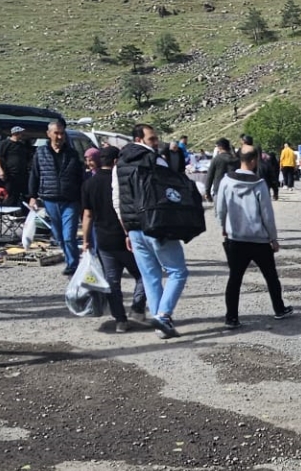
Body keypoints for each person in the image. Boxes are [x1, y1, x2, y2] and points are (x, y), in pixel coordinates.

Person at [113, 124, 191, 338]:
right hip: (156, 225)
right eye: (152, 138)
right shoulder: (155, 160)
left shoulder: (119, 163)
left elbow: (117, 200)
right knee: (178, 271)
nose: (156, 142)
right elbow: (168, 194)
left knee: (150, 277)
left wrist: (126, 230)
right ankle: (163, 316)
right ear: (139, 139)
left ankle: (160, 327)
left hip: (134, 229)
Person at [214, 146, 293, 328]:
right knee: (271, 277)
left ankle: (231, 318)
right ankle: (279, 309)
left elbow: (220, 208)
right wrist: (273, 238)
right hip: (258, 239)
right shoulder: (259, 183)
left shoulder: (227, 180)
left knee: (235, 279)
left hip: (235, 238)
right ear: (253, 160)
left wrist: (223, 226)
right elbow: (267, 214)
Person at [79, 146, 150, 335]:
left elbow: (87, 215)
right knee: (144, 274)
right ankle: (137, 308)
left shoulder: (89, 184)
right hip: (127, 238)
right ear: (116, 161)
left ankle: (120, 321)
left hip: (104, 239)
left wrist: (86, 241)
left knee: (112, 282)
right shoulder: (123, 181)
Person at [29, 119, 88, 274]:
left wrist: (83, 199)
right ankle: (69, 259)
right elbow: (35, 174)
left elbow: (80, 177)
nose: (60, 137)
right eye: (56, 133)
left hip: (70, 200)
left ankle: (73, 264)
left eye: (62, 133)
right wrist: (32, 196)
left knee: (69, 235)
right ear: (48, 134)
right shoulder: (40, 153)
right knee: (59, 236)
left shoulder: (72, 154)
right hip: (50, 199)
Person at [0, 127, 33, 207]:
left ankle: (25, 212)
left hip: (23, 174)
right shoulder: (5, 143)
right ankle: (10, 211)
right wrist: (0, 170)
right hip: (10, 174)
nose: (22, 135)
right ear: (15, 133)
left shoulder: (21, 145)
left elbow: (28, 158)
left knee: (26, 195)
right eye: (21, 133)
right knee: (11, 195)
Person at [205, 139, 236, 219]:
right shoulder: (236, 160)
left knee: (220, 215)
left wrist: (207, 192)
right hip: (233, 190)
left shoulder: (216, 159)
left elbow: (210, 176)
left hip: (218, 190)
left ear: (220, 147)